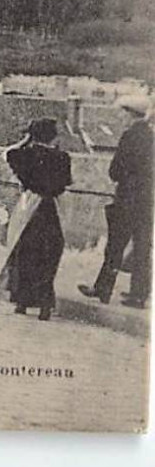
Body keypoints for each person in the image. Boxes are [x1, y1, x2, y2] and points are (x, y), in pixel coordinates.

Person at [80, 94, 152, 309]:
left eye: (123, 113)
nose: (121, 118)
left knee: (115, 246)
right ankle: (139, 295)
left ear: (130, 114)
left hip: (127, 198)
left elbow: (115, 170)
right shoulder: (151, 135)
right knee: (142, 248)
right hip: (147, 201)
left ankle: (103, 289)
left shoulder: (130, 136)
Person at [0, 118, 73, 320]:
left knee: (26, 255)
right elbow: (65, 184)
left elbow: (7, 154)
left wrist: (25, 141)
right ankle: (45, 306)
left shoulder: (25, 155)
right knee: (48, 257)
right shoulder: (63, 157)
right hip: (52, 210)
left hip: (32, 208)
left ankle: (22, 302)